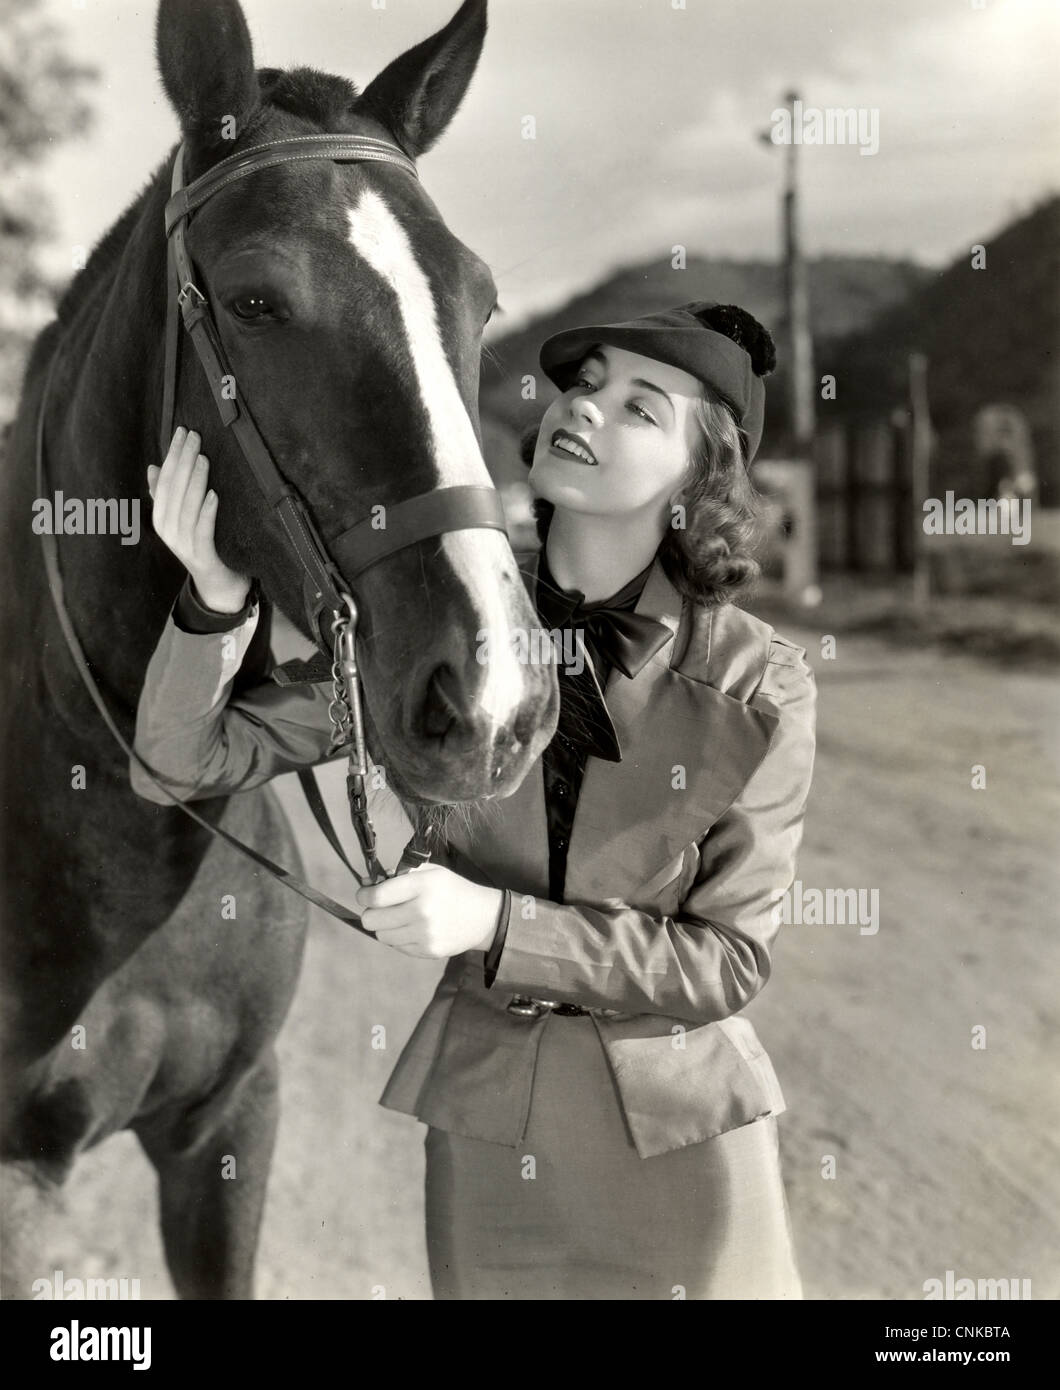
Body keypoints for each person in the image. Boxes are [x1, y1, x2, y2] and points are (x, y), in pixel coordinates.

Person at [133, 301, 816, 1301]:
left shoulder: (764, 683)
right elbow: (177, 761)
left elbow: (728, 958)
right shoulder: (427, 628)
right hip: (488, 1138)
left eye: (641, 407)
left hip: (679, 1142)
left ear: (695, 484)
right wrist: (211, 597)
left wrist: (496, 921)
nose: (586, 407)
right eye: (585, 384)